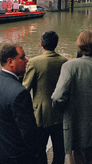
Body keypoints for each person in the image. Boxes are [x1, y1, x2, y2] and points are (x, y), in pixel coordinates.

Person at [52, 30, 92, 164]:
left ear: (79, 45)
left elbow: (58, 98)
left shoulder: (69, 66)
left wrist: (63, 110)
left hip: (76, 128)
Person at [23, 31, 67, 164]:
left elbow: (25, 89)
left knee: (39, 149)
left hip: (40, 115)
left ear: (41, 44)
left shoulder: (34, 62)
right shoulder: (64, 62)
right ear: (56, 44)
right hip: (60, 113)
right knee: (60, 149)